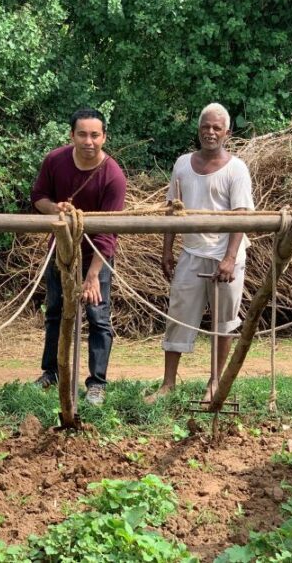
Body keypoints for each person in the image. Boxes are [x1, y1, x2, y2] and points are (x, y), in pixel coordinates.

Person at [146, 103, 254, 403]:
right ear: (199, 129)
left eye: (216, 127)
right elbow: (173, 209)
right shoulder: (182, 164)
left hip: (226, 256)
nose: (210, 132)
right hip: (191, 253)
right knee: (178, 315)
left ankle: (215, 382)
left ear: (227, 133)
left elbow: (242, 217)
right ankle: (168, 384)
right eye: (206, 126)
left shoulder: (237, 169)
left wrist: (229, 259)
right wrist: (168, 251)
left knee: (224, 322)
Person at [30, 108, 127, 405]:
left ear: (104, 137)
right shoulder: (55, 160)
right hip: (61, 251)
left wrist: (93, 275)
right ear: (71, 135)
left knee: (98, 317)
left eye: (95, 135)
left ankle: (96, 384)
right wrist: (55, 210)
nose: (89, 141)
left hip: (98, 254)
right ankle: (52, 372)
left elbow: (109, 233)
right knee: (56, 312)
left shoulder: (113, 176)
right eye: (82, 134)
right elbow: (38, 198)